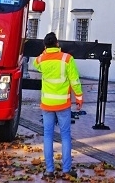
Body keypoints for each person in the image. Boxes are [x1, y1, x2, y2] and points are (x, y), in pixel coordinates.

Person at [34, 32, 83, 179]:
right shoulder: (67, 59)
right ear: (57, 44)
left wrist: (45, 51)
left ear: (45, 45)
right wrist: (79, 97)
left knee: (48, 135)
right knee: (65, 136)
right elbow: (74, 80)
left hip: (47, 104)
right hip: (62, 103)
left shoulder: (41, 60)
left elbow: (35, 63)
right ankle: (66, 169)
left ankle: (49, 170)